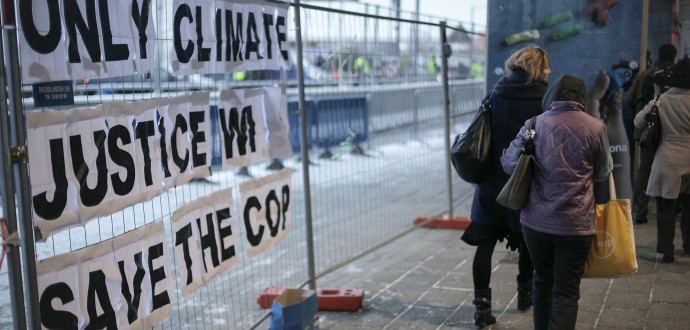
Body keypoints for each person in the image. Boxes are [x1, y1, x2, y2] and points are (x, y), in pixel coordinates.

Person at [501, 74, 613, 330]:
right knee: (566, 292)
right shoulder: (596, 127)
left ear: (552, 95)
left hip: (536, 224)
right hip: (576, 226)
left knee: (542, 282)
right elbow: (604, 171)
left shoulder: (532, 124)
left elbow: (510, 165)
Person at [461, 46, 550, 327]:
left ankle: (481, 309)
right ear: (538, 69)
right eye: (547, 66)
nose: (550, 71)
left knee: (484, 247)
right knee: (527, 242)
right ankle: (526, 295)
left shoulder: (496, 94)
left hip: (491, 181)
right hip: (525, 182)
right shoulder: (545, 101)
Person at [634, 56, 690, 263]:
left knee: (666, 208)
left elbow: (639, 120)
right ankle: (689, 245)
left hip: (667, 160)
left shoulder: (662, 99)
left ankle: (666, 251)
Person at [625, 44, 677, 224]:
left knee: (645, 168)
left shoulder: (644, 75)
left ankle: (641, 210)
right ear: (674, 57)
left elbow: (629, 99)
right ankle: (672, 210)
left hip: (647, 129)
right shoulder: (678, 76)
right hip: (671, 131)